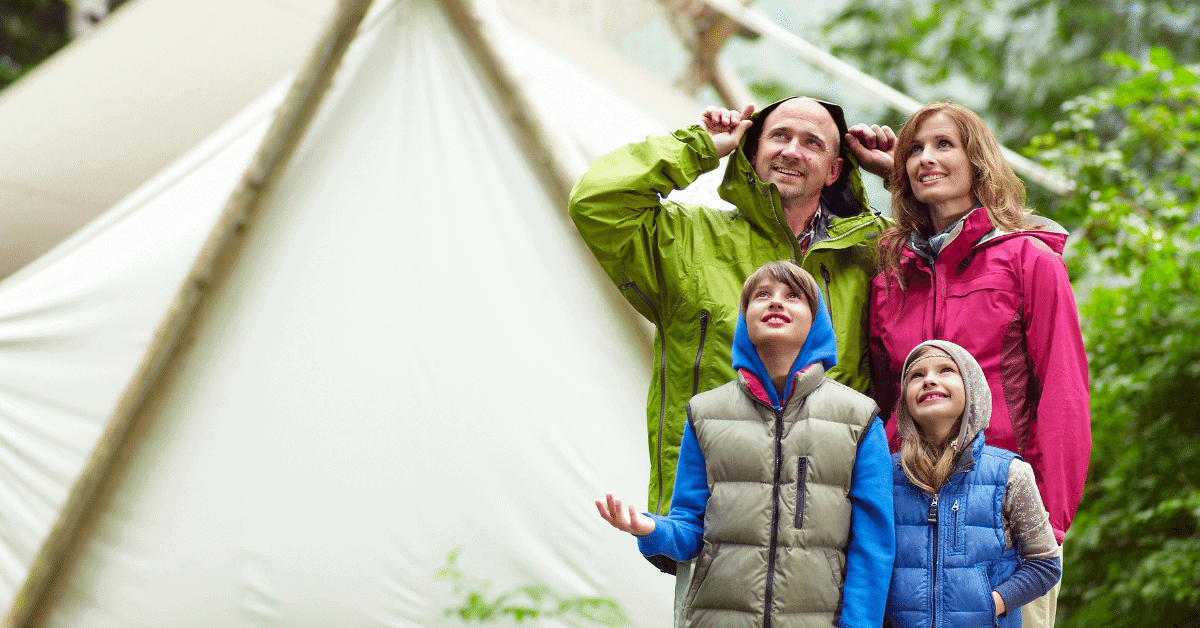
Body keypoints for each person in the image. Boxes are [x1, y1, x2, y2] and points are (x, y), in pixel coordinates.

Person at [569, 97, 892, 540]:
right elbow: (596, 201)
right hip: (706, 519)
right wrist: (699, 146)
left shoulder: (873, 253)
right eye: (779, 136)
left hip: (827, 525)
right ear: (753, 152)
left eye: (811, 142)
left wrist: (899, 177)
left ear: (834, 170)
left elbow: (963, 264)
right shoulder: (688, 240)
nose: (791, 151)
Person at [867, 101, 1089, 627]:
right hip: (906, 517)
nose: (926, 158)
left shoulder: (1030, 261)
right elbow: (880, 404)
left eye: (944, 144)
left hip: (1007, 519)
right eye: (914, 149)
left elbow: (1065, 393)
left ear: (979, 160)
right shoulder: (889, 278)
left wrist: (1045, 530)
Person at [596, 260, 894, 628]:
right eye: (762, 295)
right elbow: (689, 530)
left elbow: (873, 546)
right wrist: (650, 529)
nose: (776, 303)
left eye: (792, 296)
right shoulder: (705, 413)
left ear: (816, 321)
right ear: (744, 319)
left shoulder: (859, 418)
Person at [886, 340, 1061, 628]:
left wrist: (990, 603)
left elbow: (1045, 563)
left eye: (946, 370)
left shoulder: (1010, 474)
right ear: (904, 400)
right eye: (916, 375)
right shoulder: (885, 475)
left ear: (972, 388)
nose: (929, 380)